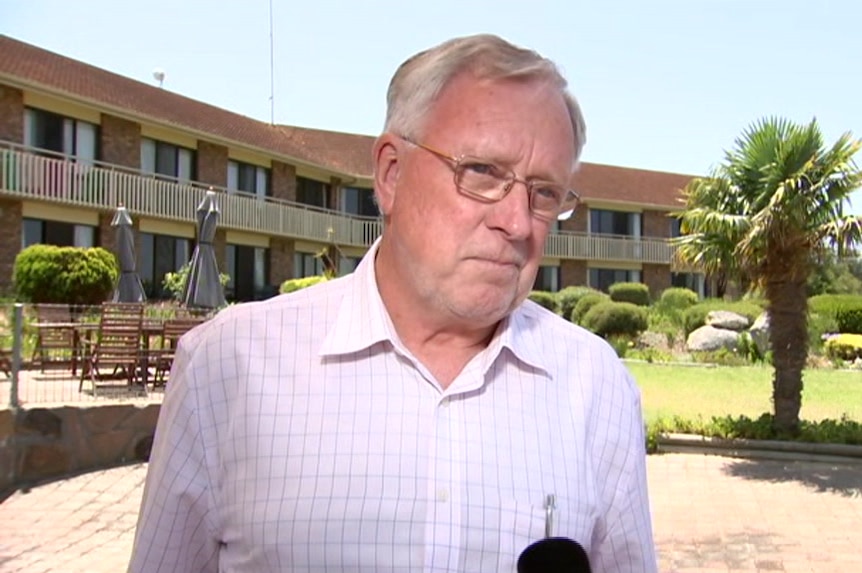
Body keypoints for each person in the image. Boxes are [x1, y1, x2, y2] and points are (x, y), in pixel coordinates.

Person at [129, 34, 657, 572]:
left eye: (544, 193)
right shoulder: (226, 366)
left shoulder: (596, 387)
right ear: (391, 173)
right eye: (481, 173)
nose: (518, 222)